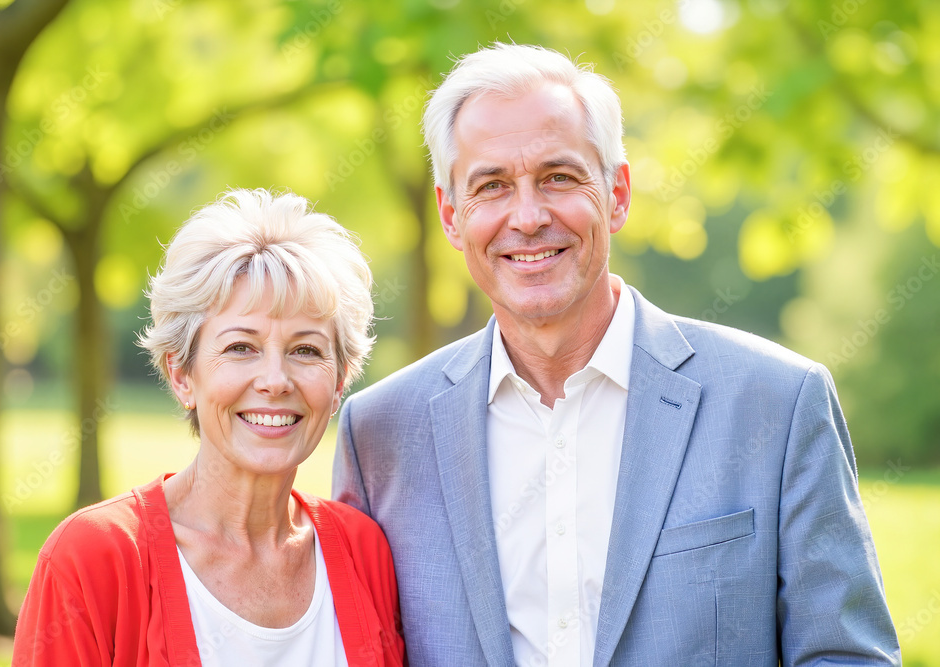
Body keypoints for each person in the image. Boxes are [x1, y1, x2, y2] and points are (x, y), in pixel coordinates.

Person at [333, 43, 900, 666]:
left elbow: (846, 656)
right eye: (491, 186)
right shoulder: (380, 434)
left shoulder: (776, 404)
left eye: (558, 177)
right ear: (450, 215)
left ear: (618, 193)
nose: (528, 216)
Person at [14, 189, 404, 666]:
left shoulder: (366, 552)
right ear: (182, 375)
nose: (276, 380)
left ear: (339, 380)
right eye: (241, 347)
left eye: (306, 350)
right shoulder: (92, 559)